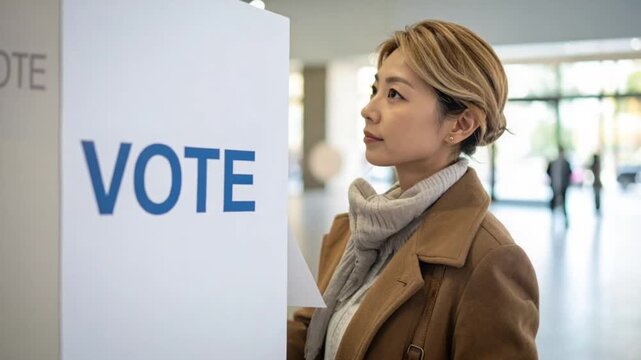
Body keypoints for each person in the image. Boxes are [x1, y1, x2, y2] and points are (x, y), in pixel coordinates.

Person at [288, 20, 539, 360]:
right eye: (375, 90)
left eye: (394, 94)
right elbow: (308, 337)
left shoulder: (490, 261)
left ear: (460, 124)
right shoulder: (351, 231)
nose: (368, 110)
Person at [546, 147, 572, 226]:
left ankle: (565, 221)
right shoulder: (553, 162)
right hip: (554, 185)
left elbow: (569, 173)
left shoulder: (566, 163)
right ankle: (552, 218)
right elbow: (548, 171)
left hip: (563, 186)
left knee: (564, 203)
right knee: (554, 201)